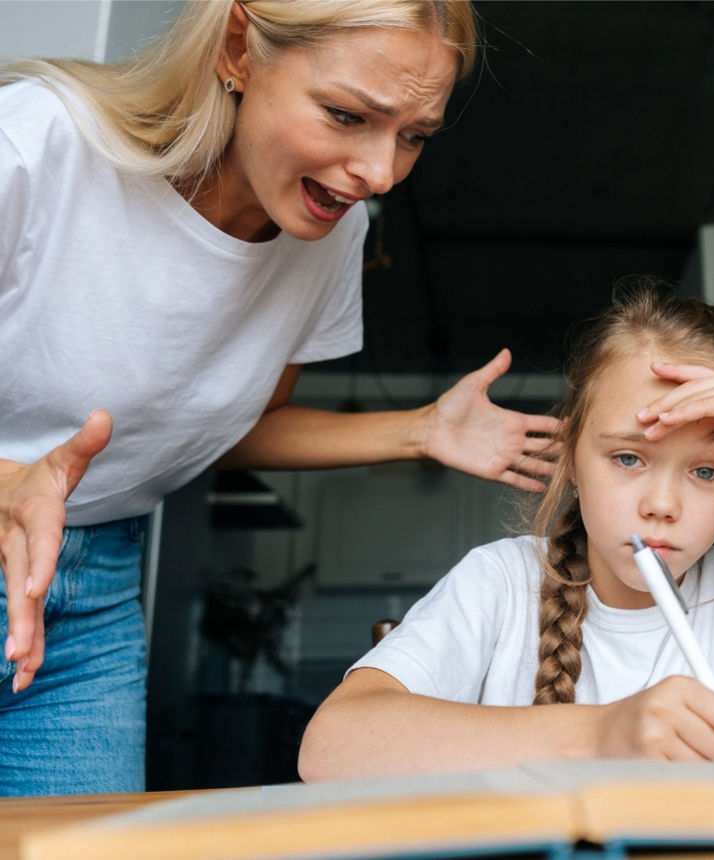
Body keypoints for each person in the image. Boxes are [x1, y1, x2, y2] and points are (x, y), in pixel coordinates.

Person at [0, 0, 562, 797]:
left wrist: (422, 429)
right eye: (346, 114)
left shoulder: (332, 234)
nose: (380, 173)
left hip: (92, 594)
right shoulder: (38, 141)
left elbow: (236, 426)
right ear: (239, 49)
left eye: (414, 136)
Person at [297, 282, 714, 778]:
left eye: (707, 470)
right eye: (628, 458)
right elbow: (330, 748)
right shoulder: (502, 583)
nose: (662, 504)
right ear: (571, 458)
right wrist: (602, 733)